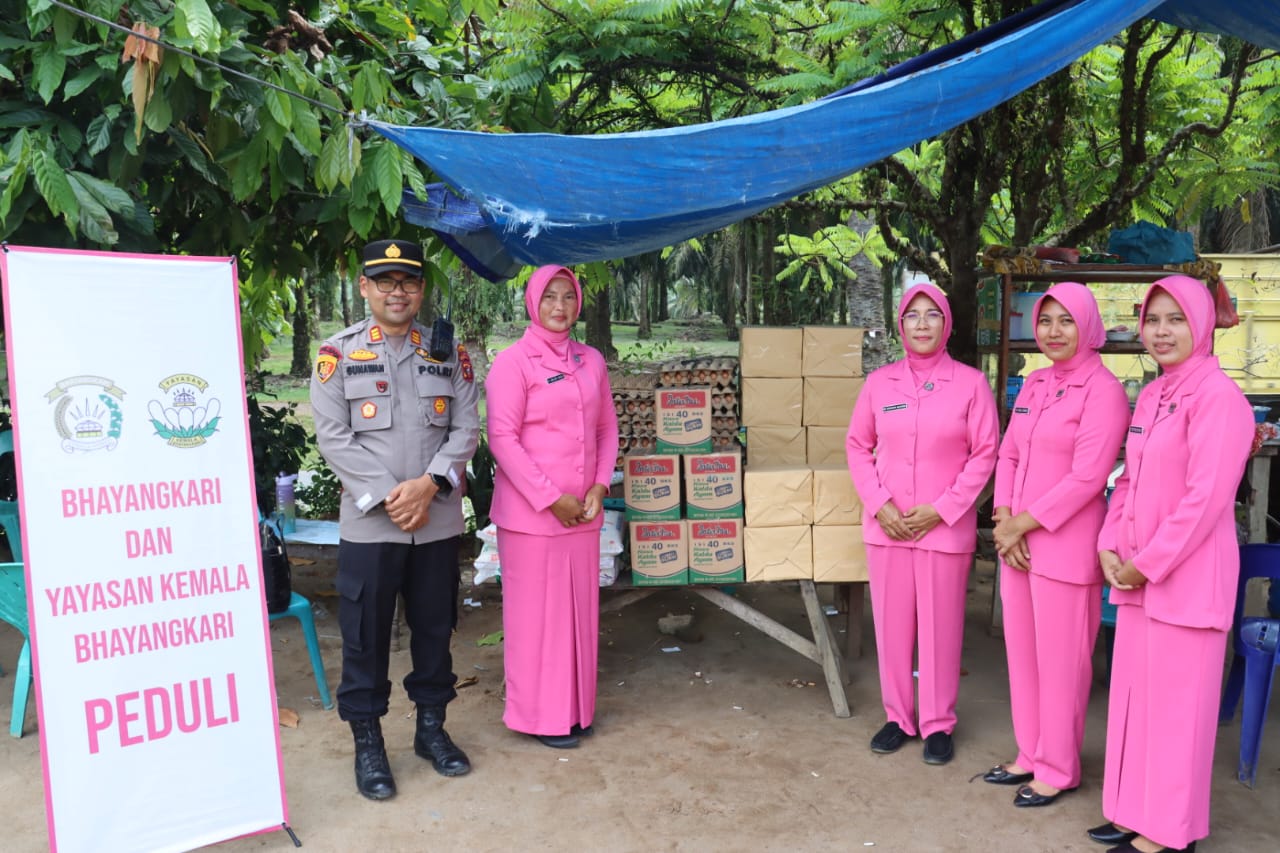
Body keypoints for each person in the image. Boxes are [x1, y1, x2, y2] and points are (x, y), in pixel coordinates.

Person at [1086, 275, 1252, 853]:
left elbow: (1205, 501)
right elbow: (1127, 478)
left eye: (1175, 319)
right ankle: (1133, 810)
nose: (1161, 332)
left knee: (1179, 713)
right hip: (1135, 577)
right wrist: (1109, 541)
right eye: (1152, 320)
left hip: (1184, 581)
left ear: (1202, 325)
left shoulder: (1219, 400)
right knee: (1136, 702)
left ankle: (1170, 832)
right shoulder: (1155, 394)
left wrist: (1146, 563)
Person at [311, 238, 480, 800]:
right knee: (365, 637)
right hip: (371, 526)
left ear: (421, 289)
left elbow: (466, 428)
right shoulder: (337, 354)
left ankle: (431, 731)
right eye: (385, 281)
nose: (397, 291)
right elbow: (333, 438)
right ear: (365, 288)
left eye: (407, 281)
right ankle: (369, 745)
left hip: (434, 521)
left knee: (435, 630)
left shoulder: (448, 352)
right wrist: (391, 496)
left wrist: (429, 485)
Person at [984, 283, 1129, 807]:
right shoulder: (1035, 384)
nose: (1054, 331)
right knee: (1023, 657)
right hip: (1017, 545)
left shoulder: (1104, 390)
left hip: (1064, 549)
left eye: (1067, 321)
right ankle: (1031, 752)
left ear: (1089, 326)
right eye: (1046, 321)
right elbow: (1009, 455)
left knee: (1063, 663)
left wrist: (1020, 524)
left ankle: (1060, 766)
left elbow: (1088, 478)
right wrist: (1003, 518)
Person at [846, 282, 999, 765]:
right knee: (892, 627)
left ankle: (937, 723)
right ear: (900, 324)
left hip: (943, 528)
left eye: (932, 315)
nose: (922, 324)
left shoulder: (970, 384)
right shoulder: (879, 384)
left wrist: (944, 507)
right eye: (913, 315)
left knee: (941, 629)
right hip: (888, 528)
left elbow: (985, 453)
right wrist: (879, 504)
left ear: (947, 323)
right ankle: (898, 718)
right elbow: (856, 446)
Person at [485, 265, 619, 749]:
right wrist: (549, 498)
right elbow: (501, 438)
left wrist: (599, 487)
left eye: (567, 297)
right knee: (538, 619)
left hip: (583, 513)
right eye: (549, 298)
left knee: (579, 615)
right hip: (532, 518)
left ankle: (576, 710)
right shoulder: (513, 363)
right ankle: (540, 717)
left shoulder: (591, 360)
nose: (559, 307)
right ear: (532, 303)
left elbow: (607, 430)